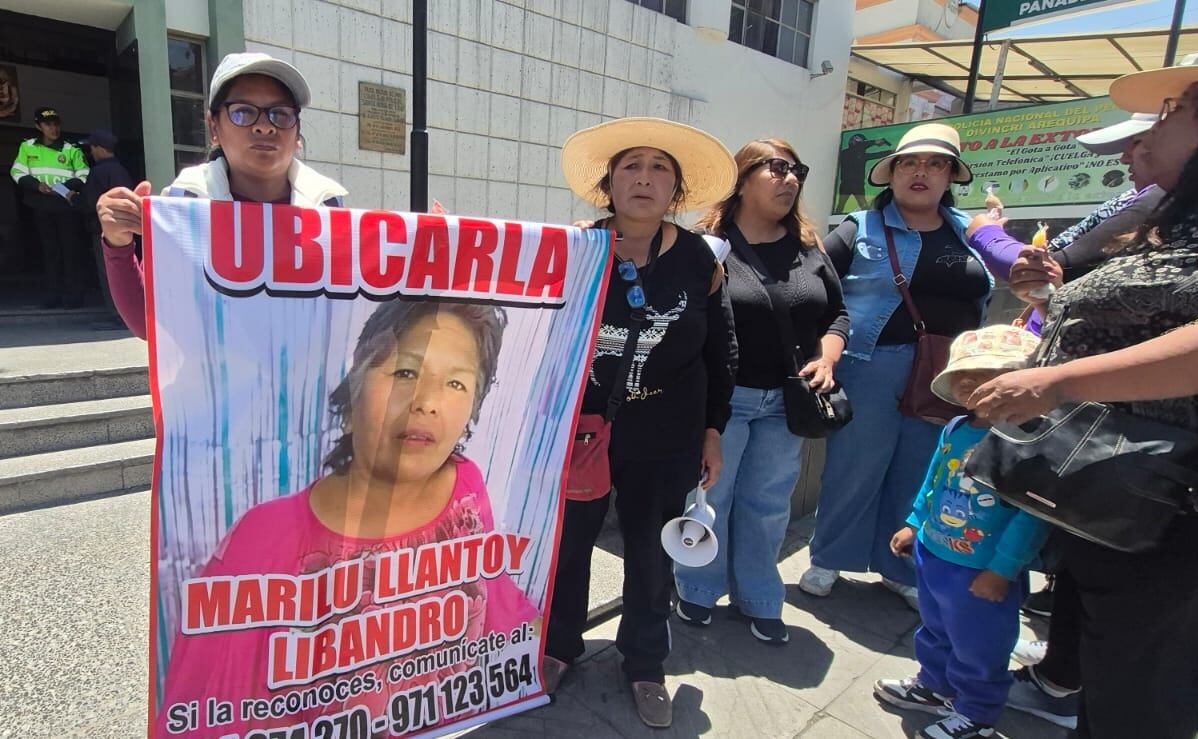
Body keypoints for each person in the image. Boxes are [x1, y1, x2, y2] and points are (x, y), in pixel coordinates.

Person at [965, 51, 1198, 739]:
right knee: (1114, 685)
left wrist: (1057, 380)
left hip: (1178, 504)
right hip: (1120, 498)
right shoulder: (1183, 217)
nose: (1149, 131)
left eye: (1174, 112)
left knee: (1141, 698)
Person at [160, 300, 538, 736]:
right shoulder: (264, 538)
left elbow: (498, 606)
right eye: (405, 373)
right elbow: (215, 713)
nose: (427, 402)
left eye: (456, 382)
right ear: (356, 377)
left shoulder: (465, 489)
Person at [543, 117, 738, 728]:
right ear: (609, 181)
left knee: (653, 558)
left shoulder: (701, 258)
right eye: (632, 165)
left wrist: (712, 431)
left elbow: (720, 352)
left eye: (660, 168)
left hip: (668, 430)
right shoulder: (575, 247)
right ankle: (556, 647)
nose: (645, 178)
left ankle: (646, 663)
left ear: (675, 188)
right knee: (568, 546)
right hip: (581, 430)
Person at [805, 123, 993, 609]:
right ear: (891, 175)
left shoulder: (969, 230)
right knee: (855, 466)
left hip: (947, 372)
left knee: (920, 470)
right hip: (871, 364)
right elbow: (814, 284)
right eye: (909, 163)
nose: (920, 173)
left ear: (951, 175)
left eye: (935, 164)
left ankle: (897, 565)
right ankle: (827, 557)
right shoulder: (859, 227)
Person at [672, 139, 849, 645]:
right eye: (777, 168)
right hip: (722, 402)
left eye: (797, 171)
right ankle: (697, 588)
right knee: (710, 500)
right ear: (742, 177)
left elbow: (837, 313)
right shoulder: (705, 245)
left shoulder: (809, 247)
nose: (790, 179)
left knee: (769, 505)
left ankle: (759, 597)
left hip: (787, 401)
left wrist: (829, 355)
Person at [875, 325, 1050, 739]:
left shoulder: (1027, 440)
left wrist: (1002, 570)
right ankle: (935, 686)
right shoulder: (955, 429)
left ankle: (978, 712)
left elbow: (1030, 515)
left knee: (981, 644)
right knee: (935, 628)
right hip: (935, 553)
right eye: (964, 374)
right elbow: (934, 480)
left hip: (982, 569)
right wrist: (914, 522)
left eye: (989, 373)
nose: (971, 382)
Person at [95, 53, 347, 339]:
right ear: (214, 127)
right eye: (243, 112)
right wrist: (118, 244)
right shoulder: (186, 201)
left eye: (280, 114)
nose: (264, 126)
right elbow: (148, 324)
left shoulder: (329, 205)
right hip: (212, 382)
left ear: (297, 134)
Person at [965, 112, 1165, 336]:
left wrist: (986, 234)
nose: (1124, 158)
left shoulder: (1163, 199)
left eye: (1137, 142)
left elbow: (1048, 266)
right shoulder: (1131, 199)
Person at [11, 106, 90, 309]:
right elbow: (17, 172)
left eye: (56, 124)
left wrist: (62, 188)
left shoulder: (71, 149)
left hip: (66, 205)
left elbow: (84, 175)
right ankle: (53, 295)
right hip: (41, 205)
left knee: (71, 252)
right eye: (48, 124)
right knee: (50, 252)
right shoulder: (28, 147)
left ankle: (74, 296)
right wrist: (36, 185)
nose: (53, 129)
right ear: (38, 126)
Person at [80, 129, 134, 327]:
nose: (91, 153)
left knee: (109, 272)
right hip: (127, 228)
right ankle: (126, 315)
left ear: (99, 149)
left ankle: (117, 315)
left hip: (104, 230)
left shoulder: (98, 172)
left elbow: (89, 203)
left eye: (92, 148)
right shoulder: (121, 170)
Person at [834, 133, 892, 213]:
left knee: (856, 206)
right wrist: (875, 142)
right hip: (852, 185)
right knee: (861, 207)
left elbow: (875, 154)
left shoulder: (846, 154)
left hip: (851, 185)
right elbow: (865, 147)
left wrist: (889, 151)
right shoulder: (848, 154)